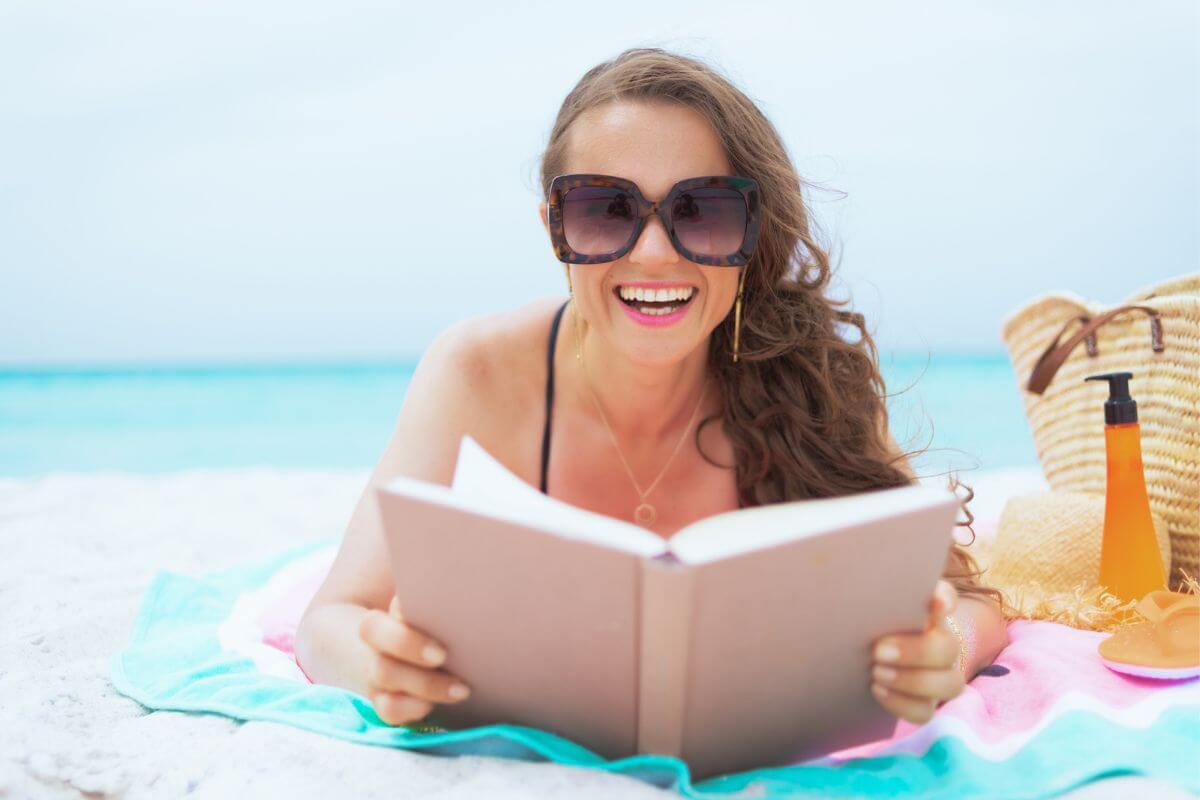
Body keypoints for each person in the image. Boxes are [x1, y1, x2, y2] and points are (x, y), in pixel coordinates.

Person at [294, 47, 1009, 732]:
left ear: (751, 233)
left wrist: (943, 650)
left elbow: (970, 601)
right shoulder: (476, 375)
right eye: (605, 210)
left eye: (702, 210)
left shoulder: (811, 379)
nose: (655, 254)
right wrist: (381, 671)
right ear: (555, 229)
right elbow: (329, 622)